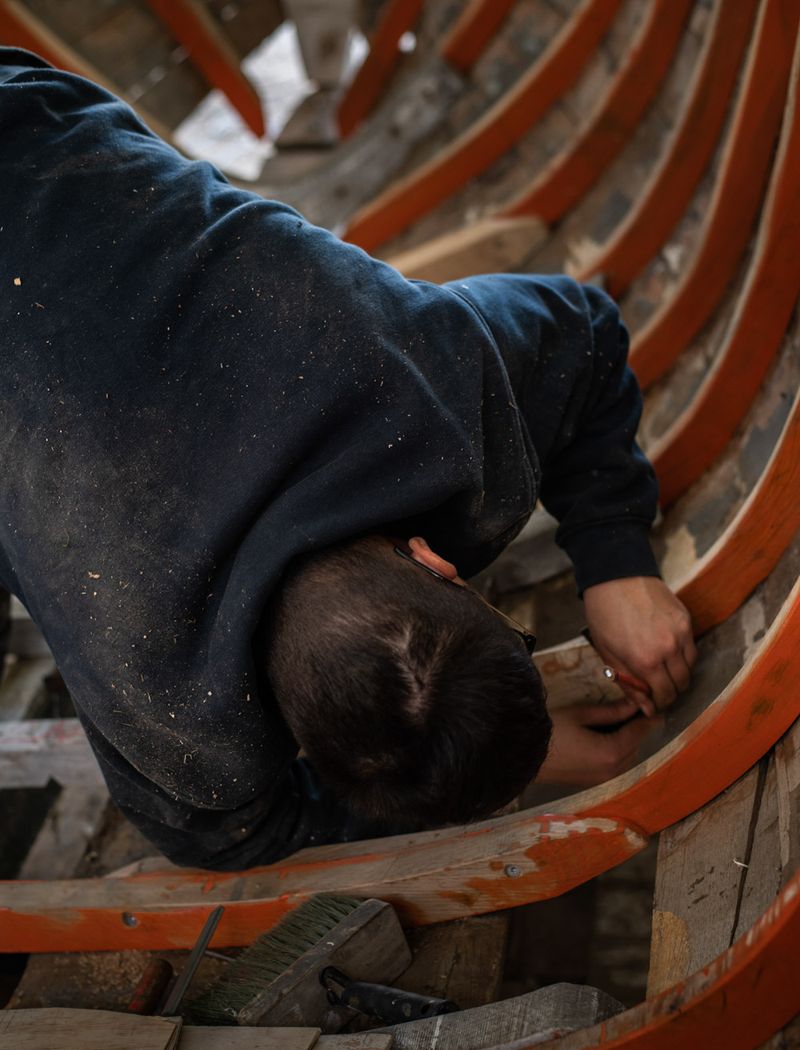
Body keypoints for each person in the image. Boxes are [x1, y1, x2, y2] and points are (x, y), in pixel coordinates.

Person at [0, 48, 696, 870]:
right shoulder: (168, 710)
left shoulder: (424, 392)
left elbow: (583, 328)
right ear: (435, 559)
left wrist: (615, 561)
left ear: (437, 566)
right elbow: (222, 837)